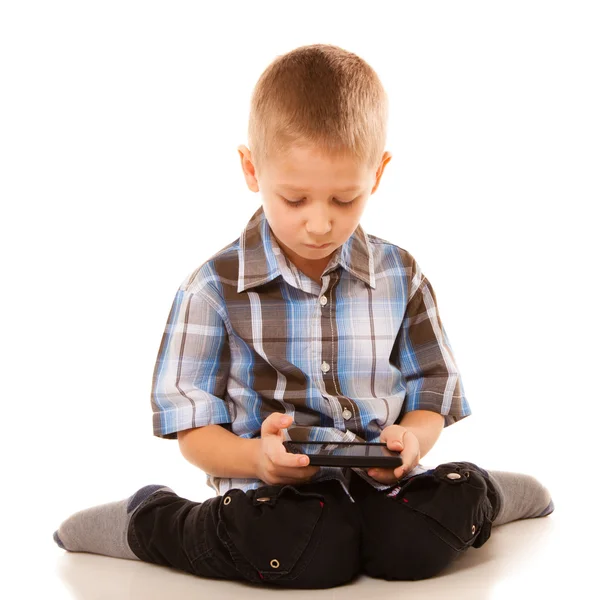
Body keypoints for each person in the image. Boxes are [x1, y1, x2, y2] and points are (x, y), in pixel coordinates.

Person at [53, 43, 553, 589]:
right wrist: (256, 459)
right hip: (273, 495)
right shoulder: (214, 289)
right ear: (251, 168)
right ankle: (150, 520)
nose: (320, 224)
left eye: (344, 199)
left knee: (415, 547)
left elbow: (432, 392)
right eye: (294, 199)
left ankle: (485, 494)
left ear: (378, 174)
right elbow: (192, 427)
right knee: (301, 552)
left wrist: (411, 442)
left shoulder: (399, 275)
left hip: (380, 484)